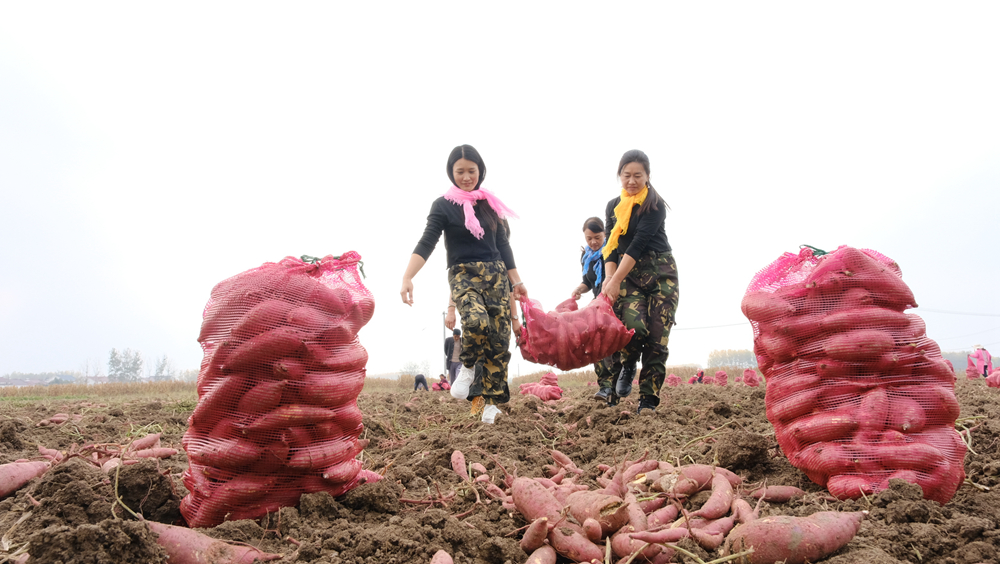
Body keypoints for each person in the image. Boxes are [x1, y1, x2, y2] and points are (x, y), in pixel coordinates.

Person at [401, 144, 528, 424]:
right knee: (474, 322)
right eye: (460, 172)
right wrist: (408, 276)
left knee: (498, 342)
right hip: (462, 273)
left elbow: (503, 246)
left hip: (495, 274)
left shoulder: (490, 204)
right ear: (451, 173)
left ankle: (492, 405)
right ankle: (468, 366)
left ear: (480, 171)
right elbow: (427, 242)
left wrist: (516, 281)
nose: (467, 177)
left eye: (472, 171)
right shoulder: (443, 206)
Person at [600, 149, 679, 414]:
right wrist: (610, 278)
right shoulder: (613, 206)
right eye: (627, 175)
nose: (632, 181)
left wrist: (615, 279)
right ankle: (628, 362)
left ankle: (648, 401)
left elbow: (636, 245)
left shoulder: (653, 204)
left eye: (638, 175)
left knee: (658, 340)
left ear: (647, 176)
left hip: (660, 273)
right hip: (629, 275)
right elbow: (611, 246)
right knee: (633, 327)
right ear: (619, 176)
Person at [570, 216, 616, 401]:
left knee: (614, 345)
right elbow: (588, 282)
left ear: (605, 234)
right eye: (589, 238)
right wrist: (579, 290)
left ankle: (618, 384)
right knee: (596, 344)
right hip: (597, 306)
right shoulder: (586, 256)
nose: (593, 242)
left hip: (615, 302)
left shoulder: (613, 250)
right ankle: (605, 386)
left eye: (597, 237)